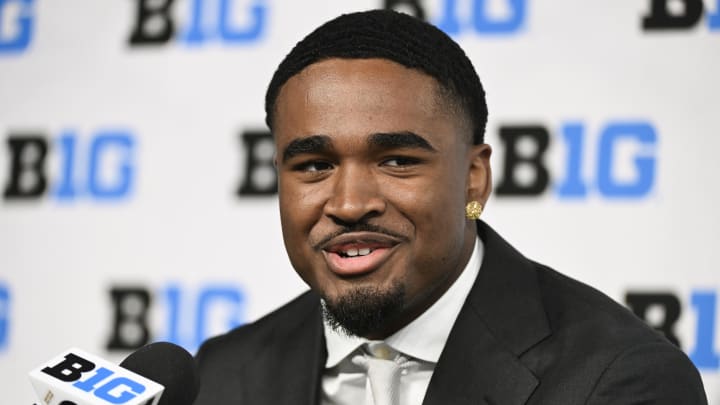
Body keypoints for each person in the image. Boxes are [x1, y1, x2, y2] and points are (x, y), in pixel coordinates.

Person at [193, 9, 707, 405]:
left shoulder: (619, 379)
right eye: (313, 166)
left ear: (473, 180)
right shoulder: (222, 374)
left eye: (396, 160)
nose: (349, 204)